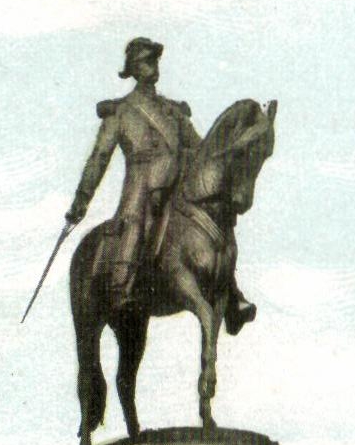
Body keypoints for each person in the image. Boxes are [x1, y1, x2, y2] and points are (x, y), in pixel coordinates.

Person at [66, 36, 255, 330]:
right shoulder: (121, 112)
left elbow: (200, 148)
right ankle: (121, 287)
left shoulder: (174, 111)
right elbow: (98, 158)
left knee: (215, 220)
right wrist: (81, 200)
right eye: (145, 61)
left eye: (155, 60)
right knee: (136, 225)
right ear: (133, 69)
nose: (152, 66)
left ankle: (231, 294)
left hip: (178, 185)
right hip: (142, 187)